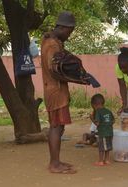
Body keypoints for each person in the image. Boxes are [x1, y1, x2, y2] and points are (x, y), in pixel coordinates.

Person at [41, 11, 76, 174]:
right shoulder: (52, 45)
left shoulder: (53, 40)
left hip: (56, 90)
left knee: (59, 127)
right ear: (62, 27)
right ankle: (54, 164)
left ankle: (56, 161)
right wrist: (77, 78)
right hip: (55, 91)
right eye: (69, 31)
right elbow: (54, 70)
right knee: (56, 127)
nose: (69, 35)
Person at [91, 94, 115, 166]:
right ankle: (107, 160)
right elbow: (113, 121)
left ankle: (101, 161)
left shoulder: (98, 111)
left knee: (101, 147)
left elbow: (97, 124)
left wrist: (92, 118)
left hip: (102, 133)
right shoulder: (108, 111)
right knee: (107, 147)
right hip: (110, 132)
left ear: (94, 105)